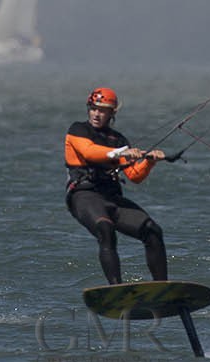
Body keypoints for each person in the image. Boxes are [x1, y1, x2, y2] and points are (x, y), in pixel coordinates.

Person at [65, 87, 168, 285]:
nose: (96, 114)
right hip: (83, 195)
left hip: (112, 198)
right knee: (105, 228)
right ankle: (116, 289)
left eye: (103, 110)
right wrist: (120, 152)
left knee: (153, 230)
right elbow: (89, 152)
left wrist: (149, 162)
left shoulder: (118, 140)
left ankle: (162, 287)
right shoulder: (78, 130)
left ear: (112, 113)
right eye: (93, 109)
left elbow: (134, 176)